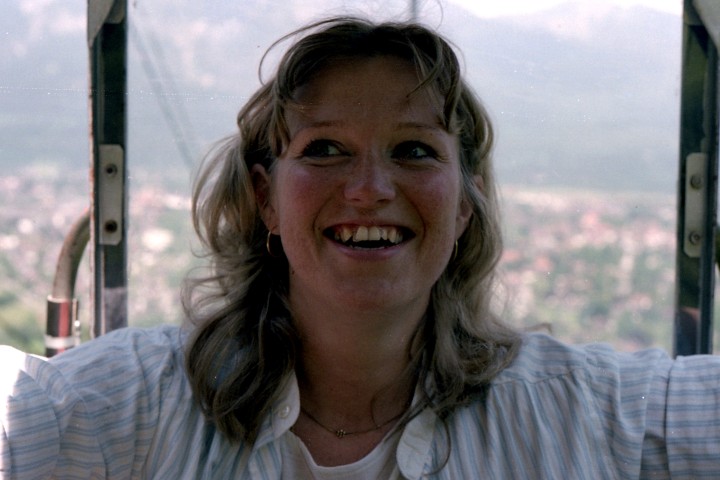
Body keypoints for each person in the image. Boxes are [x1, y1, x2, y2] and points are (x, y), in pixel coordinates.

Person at [1, 16, 720, 480]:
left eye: (413, 150)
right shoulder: (130, 404)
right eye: (325, 150)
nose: (371, 188)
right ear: (265, 199)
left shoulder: (578, 410)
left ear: (464, 204)